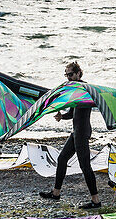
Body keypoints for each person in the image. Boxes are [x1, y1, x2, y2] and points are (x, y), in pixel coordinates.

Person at [39, 61, 101, 209]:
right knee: (62, 159)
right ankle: (56, 193)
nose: (68, 77)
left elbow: (92, 103)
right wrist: (62, 117)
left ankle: (96, 201)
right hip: (76, 132)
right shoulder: (74, 90)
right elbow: (73, 113)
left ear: (79, 73)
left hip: (82, 132)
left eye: (71, 74)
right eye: (66, 75)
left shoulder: (84, 89)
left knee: (85, 166)